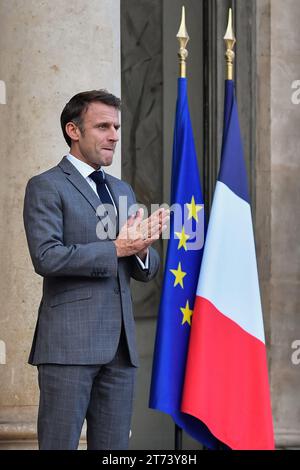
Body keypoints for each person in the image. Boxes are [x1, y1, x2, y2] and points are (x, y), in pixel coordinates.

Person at [23, 89, 169, 450]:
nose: (114, 135)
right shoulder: (46, 186)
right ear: (73, 130)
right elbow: (47, 256)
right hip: (68, 348)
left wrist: (144, 250)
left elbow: (144, 271)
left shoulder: (122, 189)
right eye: (103, 126)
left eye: (117, 127)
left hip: (121, 351)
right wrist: (118, 247)